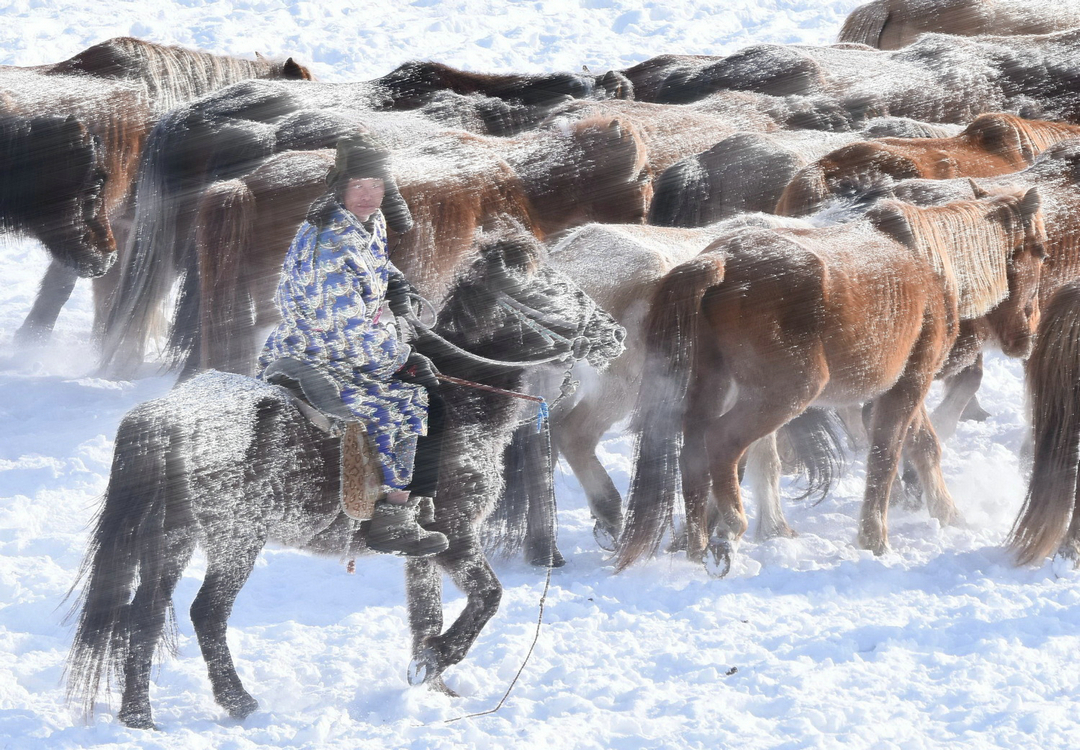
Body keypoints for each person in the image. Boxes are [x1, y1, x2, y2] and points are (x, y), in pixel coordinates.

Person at [259, 133, 448, 557]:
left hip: (349, 340)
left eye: (376, 186)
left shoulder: (366, 221)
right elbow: (340, 327)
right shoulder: (329, 243)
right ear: (340, 188)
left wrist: (397, 285)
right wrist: (400, 359)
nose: (368, 196)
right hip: (319, 350)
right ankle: (393, 520)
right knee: (410, 402)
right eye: (358, 186)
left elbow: (376, 261)